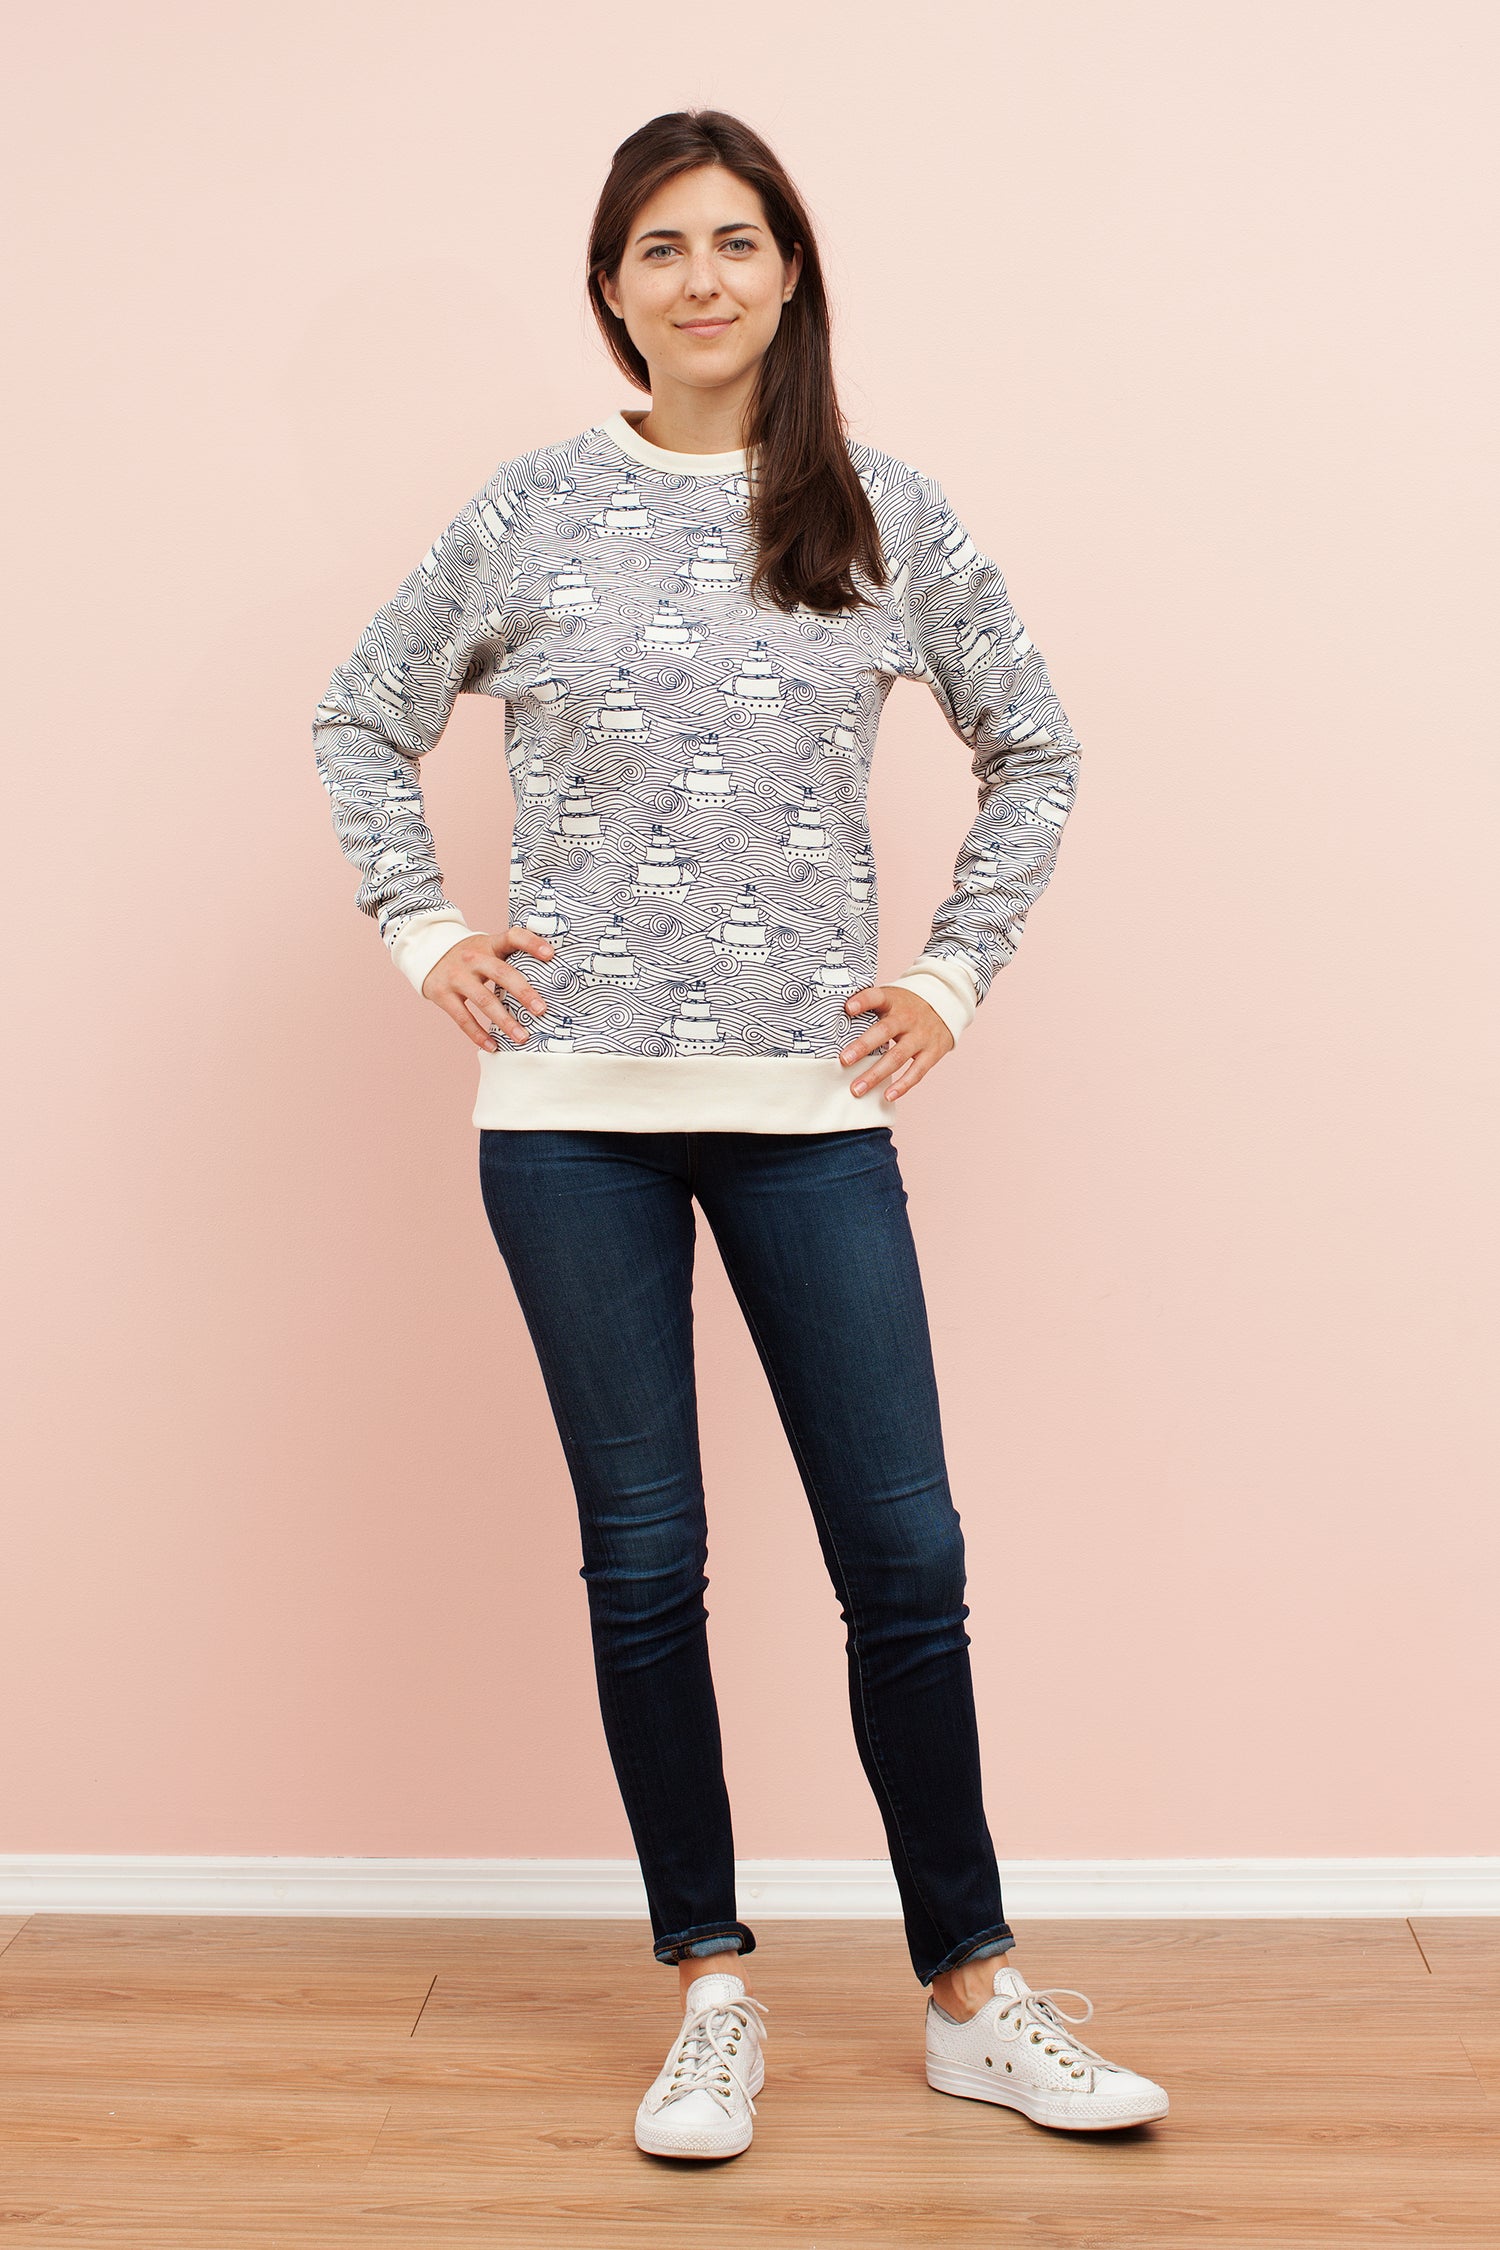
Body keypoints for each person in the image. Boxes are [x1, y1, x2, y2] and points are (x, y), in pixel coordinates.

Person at [312, 107, 1168, 2161]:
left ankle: (974, 1993)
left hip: (806, 1113)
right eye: (661, 247)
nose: (701, 278)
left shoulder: (880, 513)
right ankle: (710, 1989)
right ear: (612, 289)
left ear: (790, 274)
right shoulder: (533, 507)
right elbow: (360, 710)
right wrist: (425, 930)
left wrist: (951, 974)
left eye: (737, 241)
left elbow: (1038, 747)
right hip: (570, 1120)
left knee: (905, 1554)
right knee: (647, 1561)